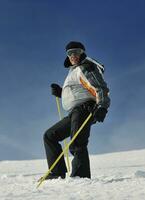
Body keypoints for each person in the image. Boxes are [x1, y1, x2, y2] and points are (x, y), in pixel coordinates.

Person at [42, 41, 110, 180]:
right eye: (70, 53)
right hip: (74, 112)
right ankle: (56, 173)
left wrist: (102, 106)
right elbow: (79, 90)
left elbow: (100, 87)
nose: (73, 55)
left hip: (85, 109)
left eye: (76, 52)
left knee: (77, 142)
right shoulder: (73, 71)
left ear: (82, 53)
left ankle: (80, 177)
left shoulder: (86, 67)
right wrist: (61, 93)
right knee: (50, 136)